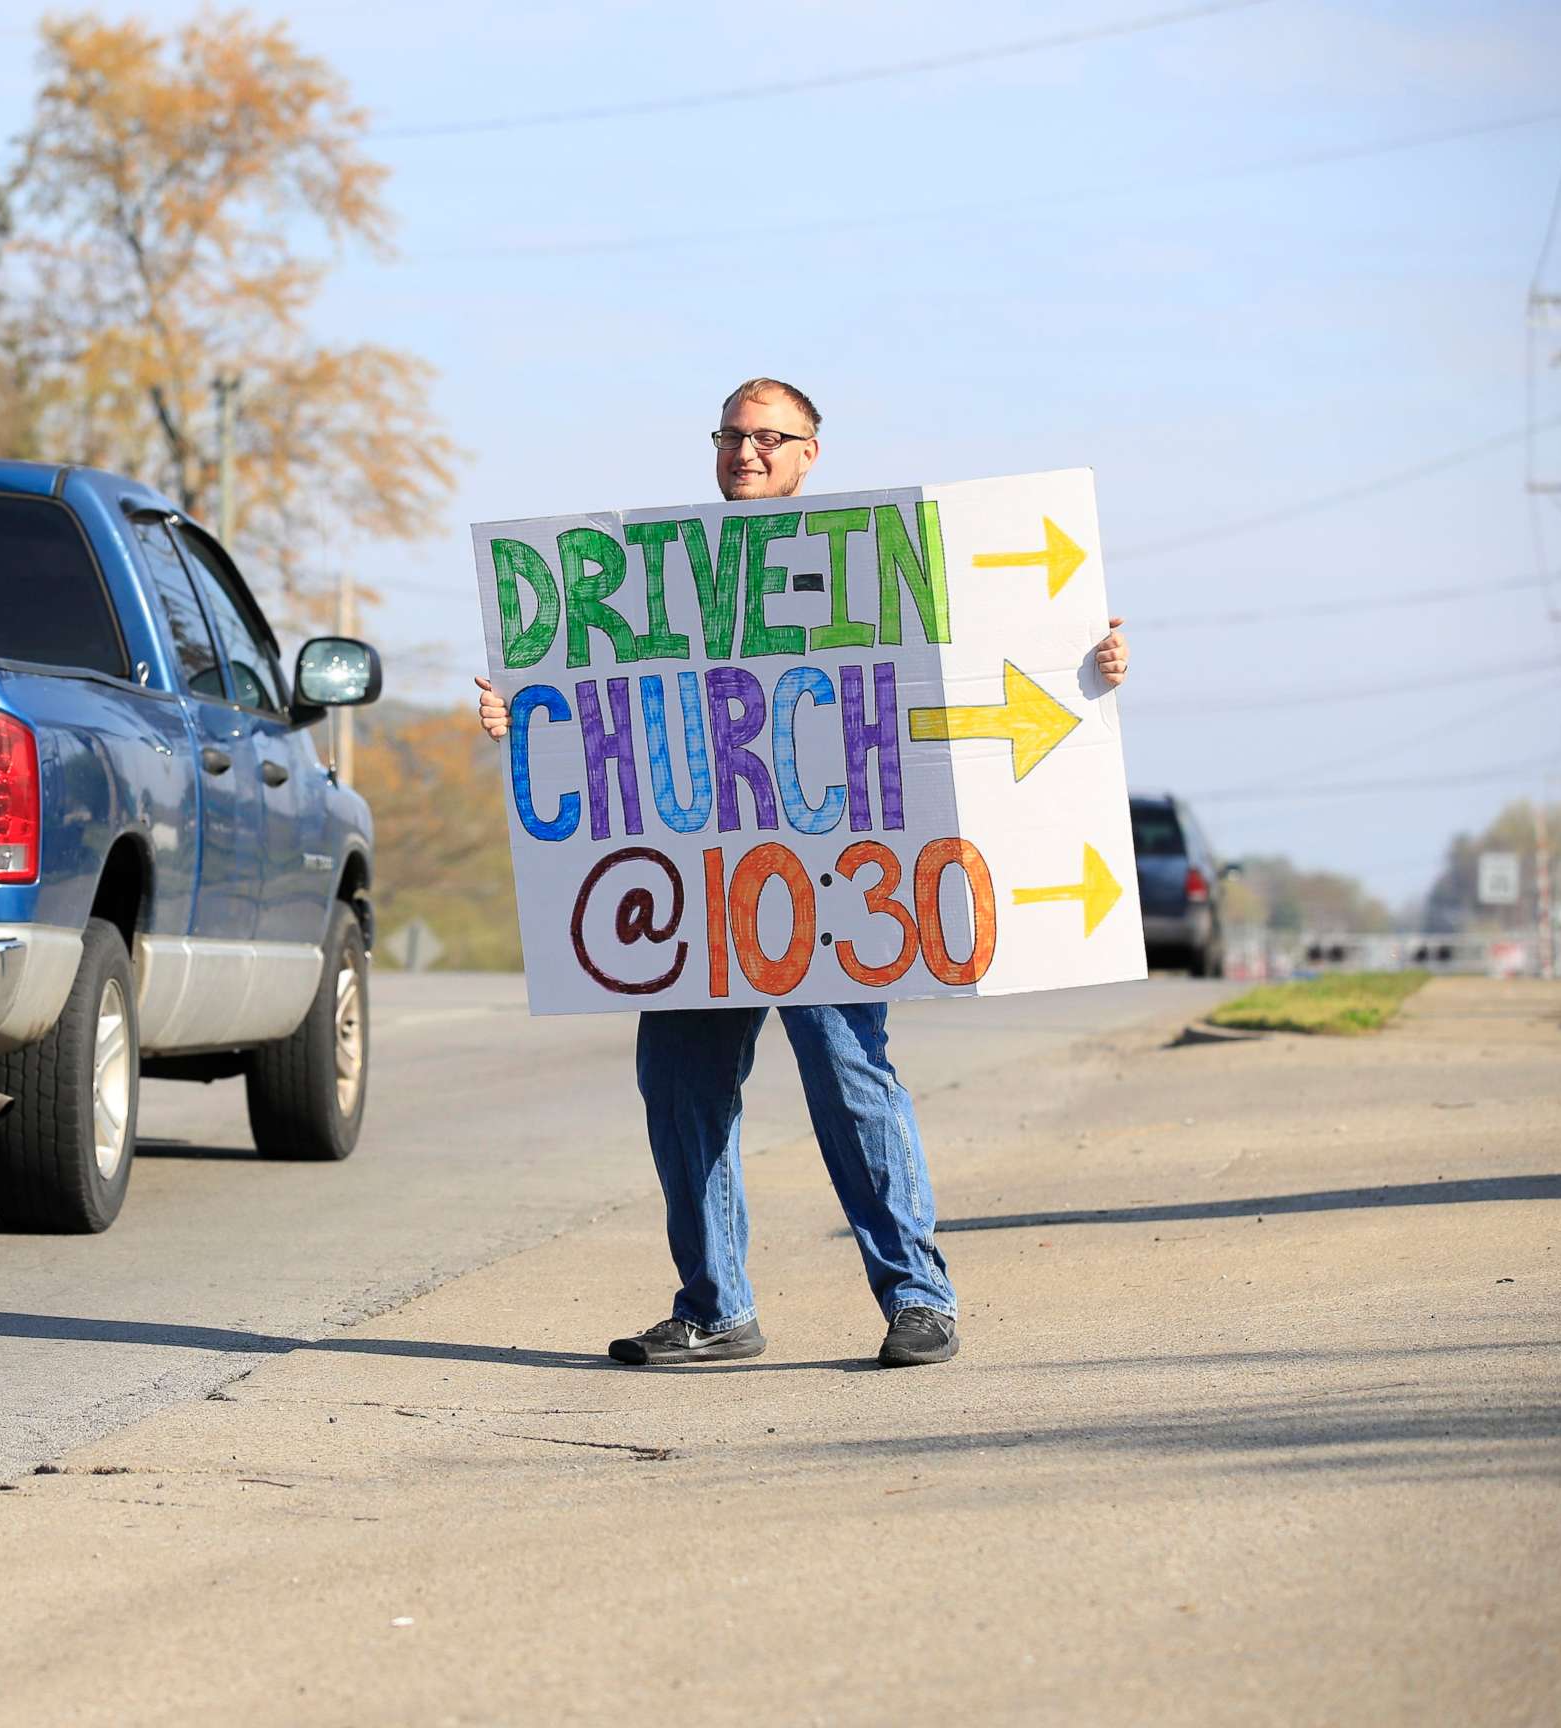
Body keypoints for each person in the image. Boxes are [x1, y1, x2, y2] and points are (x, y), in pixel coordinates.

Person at [473, 377, 1131, 1368]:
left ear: (813, 450)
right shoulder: (668, 582)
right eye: (732, 436)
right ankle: (714, 1306)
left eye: (770, 438)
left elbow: (986, 654)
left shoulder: (865, 562)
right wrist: (521, 720)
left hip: (829, 878)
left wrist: (1090, 663)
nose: (748, 453)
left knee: (847, 1074)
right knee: (679, 1087)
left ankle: (919, 1297)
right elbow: (610, 719)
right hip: (704, 891)